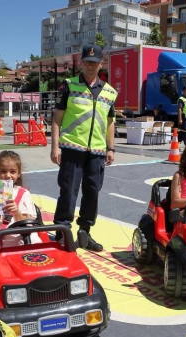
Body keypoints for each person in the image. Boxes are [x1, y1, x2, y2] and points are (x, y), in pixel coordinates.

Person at [51, 44, 117, 252]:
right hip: (72, 148)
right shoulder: (69, 85)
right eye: (87, 62)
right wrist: (55, 146)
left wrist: (111, 148)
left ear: (101, 64)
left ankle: (85, 233)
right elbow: (57, 118)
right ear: (81, 63)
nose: (90, 66)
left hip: (97, 152)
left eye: (94, 63)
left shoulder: (109, 92)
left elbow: (110, 121)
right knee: (68, 191)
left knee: (92, 193)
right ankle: (62, 232)